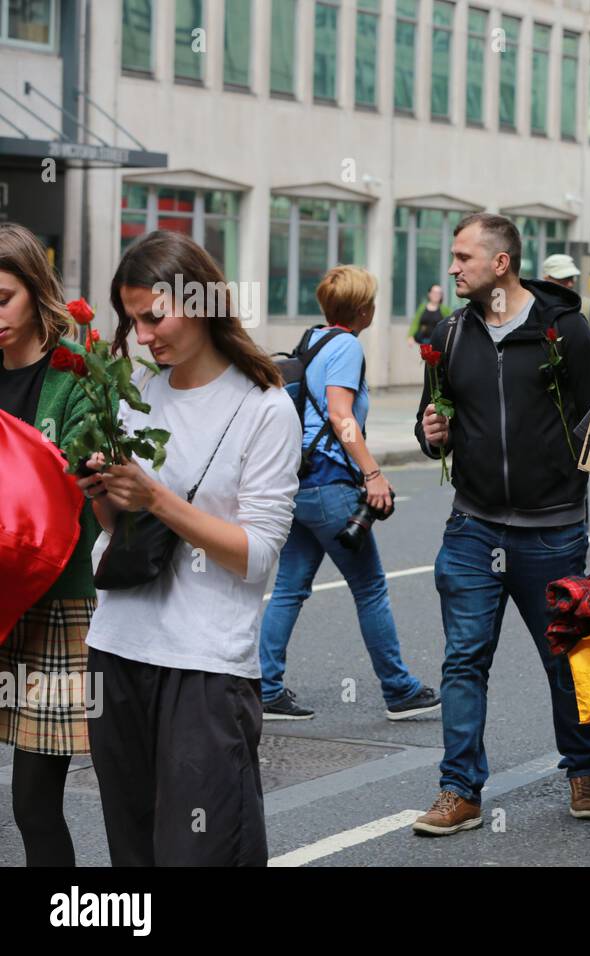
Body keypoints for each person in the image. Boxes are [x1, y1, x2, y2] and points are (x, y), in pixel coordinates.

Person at [77, 231, 301, 865]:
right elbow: (117, 535)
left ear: (201, 303)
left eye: (154, 315)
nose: (143, 335)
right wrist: (105, 493)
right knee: (133, 850)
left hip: (205, 666)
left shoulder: (265, 407)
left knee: (201, 852)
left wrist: (156, 499)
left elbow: (257, 555)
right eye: (131, 319)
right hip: (118, 648)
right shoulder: (139, 395)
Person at [412, 214, 590, 836]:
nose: (453, 268)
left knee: (564, 657)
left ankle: (583, 768)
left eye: (462, 257)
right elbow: (435, 419)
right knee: (463, 661)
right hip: (473, 526)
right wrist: (428, 433)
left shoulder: (566, 333)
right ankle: (460, 790)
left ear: (500, 263)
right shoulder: (449, 335)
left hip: (551, 528)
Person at [259, 266, 440, 721]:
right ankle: (399, 690)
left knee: (288, 587)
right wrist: (373, 472)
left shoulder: (313, 340)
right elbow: (342, 417)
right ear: (363, 310)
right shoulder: (344, 346)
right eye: (374, 302)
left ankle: (264, 686)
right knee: (371, 587)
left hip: (299, 482)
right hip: (328, 485)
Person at [0, 223, 98, 866]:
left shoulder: (78, 371)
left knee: (33, 801)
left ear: (37, 291)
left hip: (57, 605)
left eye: (2, 297)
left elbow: (102, 496)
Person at [542, 252, 590, 357]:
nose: (570, 283)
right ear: (546, 279)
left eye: (572, 278)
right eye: (563, 278)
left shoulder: (587, 308)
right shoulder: (532, 309)